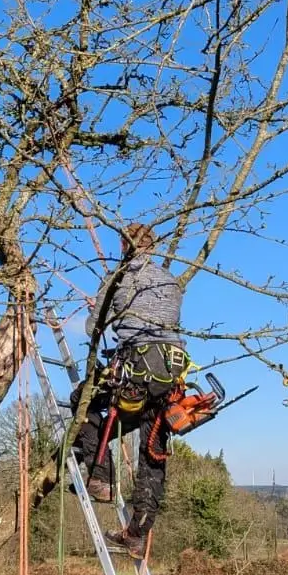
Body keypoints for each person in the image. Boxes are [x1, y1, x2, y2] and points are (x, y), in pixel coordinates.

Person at [71, 223, 189, 556]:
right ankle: (136, 534)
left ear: (124, 245)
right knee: (153, 450)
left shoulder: (120, 277)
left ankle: (102, 478)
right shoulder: (171, 280)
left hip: (137, 369)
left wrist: (104, 306)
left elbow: (94, 327)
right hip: (170, 374)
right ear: (152, 246)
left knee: (82, 402)